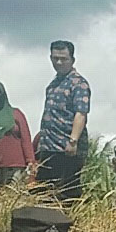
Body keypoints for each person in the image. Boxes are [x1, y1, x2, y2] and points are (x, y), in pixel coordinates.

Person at [37, 40, 90, 202]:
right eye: (55, 58)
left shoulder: (78, 83)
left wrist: (72, 141)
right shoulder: (53, 84)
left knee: (67, 193)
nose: (59, 62)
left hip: (67, 148)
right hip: (49, 147)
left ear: (72, 60)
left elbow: (81, 113)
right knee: (44, 193)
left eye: (63, 59)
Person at [0, 80, 34, 185]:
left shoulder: (16, 114)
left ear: (3, 94)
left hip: (14, 166)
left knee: (13, 198)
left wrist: (30, 160)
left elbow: (26, 139)